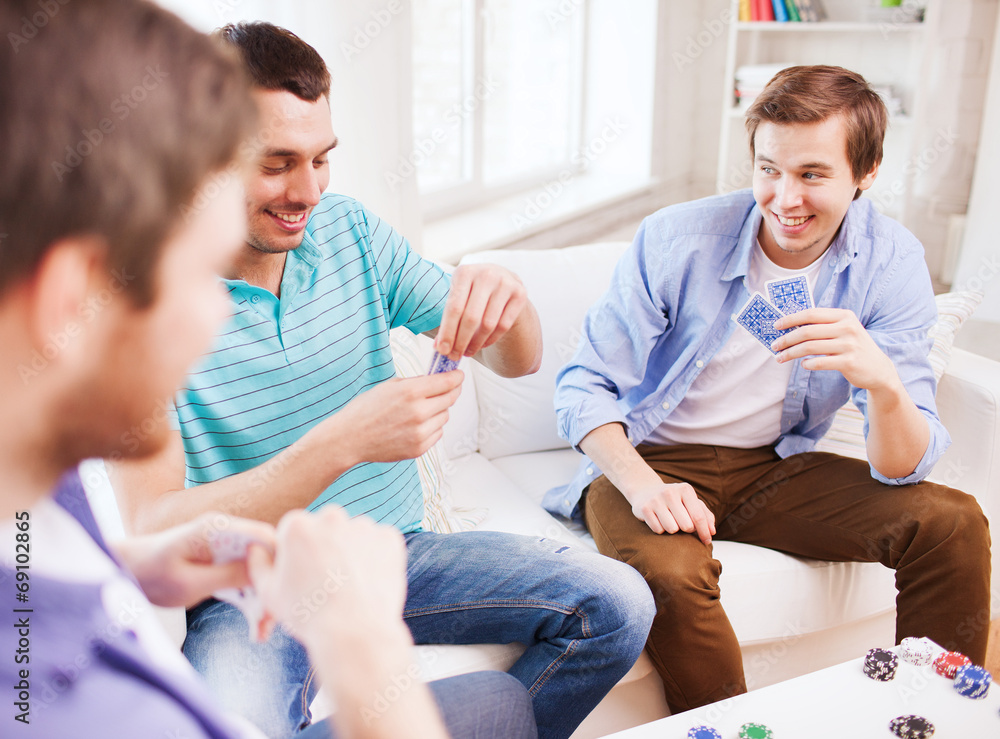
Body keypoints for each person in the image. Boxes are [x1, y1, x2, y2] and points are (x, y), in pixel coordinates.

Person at [0, 1, 538, 737]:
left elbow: (58, 564)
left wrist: (139, 564)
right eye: (196, 272)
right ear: (70, 295)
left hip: (347, 554)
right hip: (280, 605)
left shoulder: (46, 487)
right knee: (499, 710)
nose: (223, 313)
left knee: (520, 689)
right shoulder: (77, 707)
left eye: (320, 160)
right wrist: (363, 644)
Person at [107, 20, 655, 739]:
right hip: (250, 592)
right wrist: (340, 444)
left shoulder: (350, 233)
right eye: (276, 163)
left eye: (321, 158)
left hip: (397, 553)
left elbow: (515, 360)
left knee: (620, 603)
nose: (307, 191)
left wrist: (506, 295)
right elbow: (154, 523)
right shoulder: (141, 308)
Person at [551, 65, 992, 713]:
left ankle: (928, 717)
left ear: (864, 173)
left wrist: (883, 382)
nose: (785, 197)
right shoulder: (678, 239)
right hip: (651, 462)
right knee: (671, 574)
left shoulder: (892, 262)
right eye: (768, 170)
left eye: (813, 174)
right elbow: (583, 387)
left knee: (952, 521)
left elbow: (899, 468)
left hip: (770, 467)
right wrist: (644, 486)